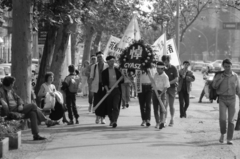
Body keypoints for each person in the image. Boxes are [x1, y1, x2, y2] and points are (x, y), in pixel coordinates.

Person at [0, 76, 57, 140]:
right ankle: (46, 120)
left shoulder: (11, 90)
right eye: (13, 83)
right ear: (10, 84)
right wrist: (3, 103)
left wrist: (20, 104)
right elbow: (3, 102)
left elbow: (18, 98)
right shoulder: (1, 91)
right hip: (12, 111)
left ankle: (36, 135)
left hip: (18, 108)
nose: (13, 85)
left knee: (33, 113)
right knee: (33, 106)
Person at [212, 59, 240, 145]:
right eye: (226, 66)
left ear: (232, 66)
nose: (227, 68)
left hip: (232, 99)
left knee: (231, 120)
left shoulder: (235, 76)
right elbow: (214, 86)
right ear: (223, 66)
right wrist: (220, 79)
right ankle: (222, 134)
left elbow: (238, 89)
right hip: (222, 99)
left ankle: (229, 138)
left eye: (229, 66)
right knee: (222, 119)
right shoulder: (219, 75)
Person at [102, 56, 123, 128]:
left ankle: (114, 121)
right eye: (110, 61)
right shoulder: (104, 72)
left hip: (116, 90)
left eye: (113, 61)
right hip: (108, 90)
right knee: (109, 107)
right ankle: (111, 119)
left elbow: (122, 80)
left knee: (115, 106)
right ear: (107, 62)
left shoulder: (117, 70)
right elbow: (104, 82)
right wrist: (107, 90)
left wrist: (123, 76)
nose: (112, 62)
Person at [89, 51, 108, 124]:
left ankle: (103, 118)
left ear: (103, 57)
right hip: (96, 86)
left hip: (104, 86)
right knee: (96, 101)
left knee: (104, 101)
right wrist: (90, 83)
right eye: (98, 57)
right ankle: (97, 116)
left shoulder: (107, 65)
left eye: (101, 57)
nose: (99, 58)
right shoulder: (94, 66)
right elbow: (91, 76)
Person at [161, 55, 179, 127]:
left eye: (166, 62)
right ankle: (164, 119)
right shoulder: (162, 69)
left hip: (172, 89)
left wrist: (168, 83)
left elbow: (176, 79)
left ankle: (172, 119)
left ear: (169, 61)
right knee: (165, 105)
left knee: (171, 105)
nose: (165, 63)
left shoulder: (173, 68)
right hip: (164, 89)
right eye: (164, 62)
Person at [152, 61, 170, 129]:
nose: (157, 70)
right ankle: (157, 122)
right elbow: (153, 83)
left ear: (162, 69)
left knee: (162, 109)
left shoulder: (165, 76)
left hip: (162, 93)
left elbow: (166, 87)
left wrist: (161, 94)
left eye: (159, 69)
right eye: (157, 68)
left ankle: (162, 122)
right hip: (155, 92)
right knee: (155, 108)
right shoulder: (155, 74)